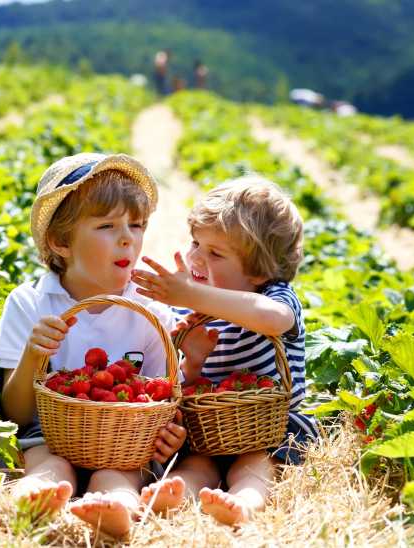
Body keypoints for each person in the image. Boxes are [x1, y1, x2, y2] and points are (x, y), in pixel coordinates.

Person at [0, 153, 209, 537]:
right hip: (50, 437)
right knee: (47, 464)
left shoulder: (150, 310)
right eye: (107, 225)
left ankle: (116, 509)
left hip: (125, 445)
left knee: (118, 475)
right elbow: (17, 415)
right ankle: (33, 497)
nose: (127, 238)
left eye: (136, 225)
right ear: (60, 241)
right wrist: (33, 356)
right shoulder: (31, 304)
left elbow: (160, 399)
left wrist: (171, 430)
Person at [130, 176, 319, 526]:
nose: (196, 258)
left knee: (255, 463)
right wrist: (195, 361)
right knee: (196, 464)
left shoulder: (274, 297)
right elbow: (190, 387)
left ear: (261, 270)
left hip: (268, 430)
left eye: (215, 253)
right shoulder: (195, 315)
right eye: (196, 243)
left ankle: (245, 502)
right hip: (211, 433)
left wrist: (191, 296)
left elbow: (273, 320)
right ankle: (176, 495)